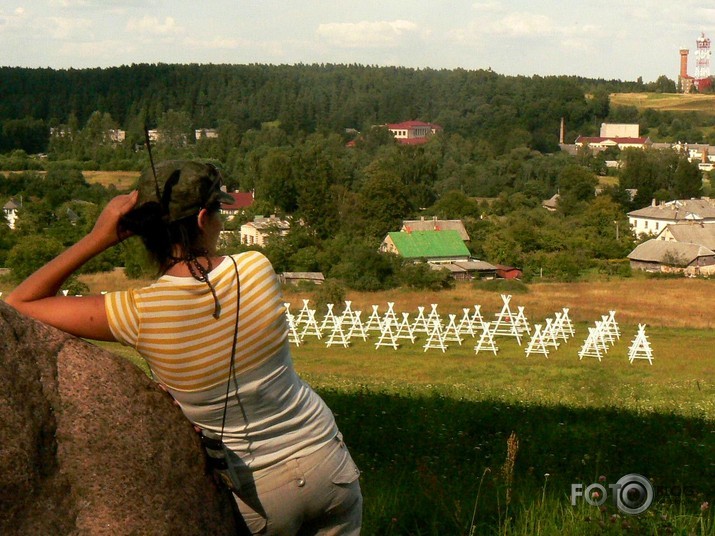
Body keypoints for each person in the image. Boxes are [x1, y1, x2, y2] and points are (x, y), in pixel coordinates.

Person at [6, 160, 362, 535]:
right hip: (327, 462)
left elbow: (20, 303)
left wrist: (99, 237)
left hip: (258, 494)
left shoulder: (137, 314)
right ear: (204, 218)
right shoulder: (257, 268)